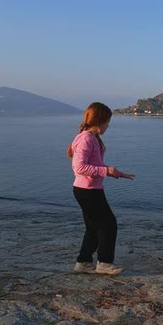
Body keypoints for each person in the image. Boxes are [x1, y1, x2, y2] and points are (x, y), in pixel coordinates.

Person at [67, 102, 134, 275]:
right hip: (88, 191)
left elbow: (95, 165)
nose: (108, 126)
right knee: (108, 225)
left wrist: (116, 173)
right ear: (100, 121)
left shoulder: (91, 137)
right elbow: (79, 167)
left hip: (88, 189)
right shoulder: (86, 139)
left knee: (94, 227)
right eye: (107, 122)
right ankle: (104, 263)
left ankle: (83, 262)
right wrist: (106, 170)